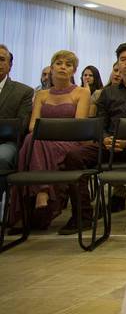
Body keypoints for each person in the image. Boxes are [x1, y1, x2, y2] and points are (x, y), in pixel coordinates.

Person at [61, 42, 126, 235]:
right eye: (123, 59)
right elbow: (99, 122)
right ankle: (83, 216)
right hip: (108, 144)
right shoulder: (108, 93)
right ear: (117, 63)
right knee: (73, 156)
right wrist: (106, 138)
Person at [9, 50, 90, 231]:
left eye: (68, 65)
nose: (63, 67)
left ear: (74, 70)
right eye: (59, 63)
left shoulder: (82, 93)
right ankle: (41, 191)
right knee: (32, 139)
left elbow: (78, 126)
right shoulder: (41, 95)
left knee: (33, 141)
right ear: (51, 68)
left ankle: (41, 192)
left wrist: (49, 131)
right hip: (42, 142)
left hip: (69, 143)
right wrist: (48, 133)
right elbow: (32, 125)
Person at [0, 44, 34, 176]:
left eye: (1, 59)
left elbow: (20, 126)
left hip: (6, 142)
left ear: (10, 66)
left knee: (1, 158)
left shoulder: (23, 92)